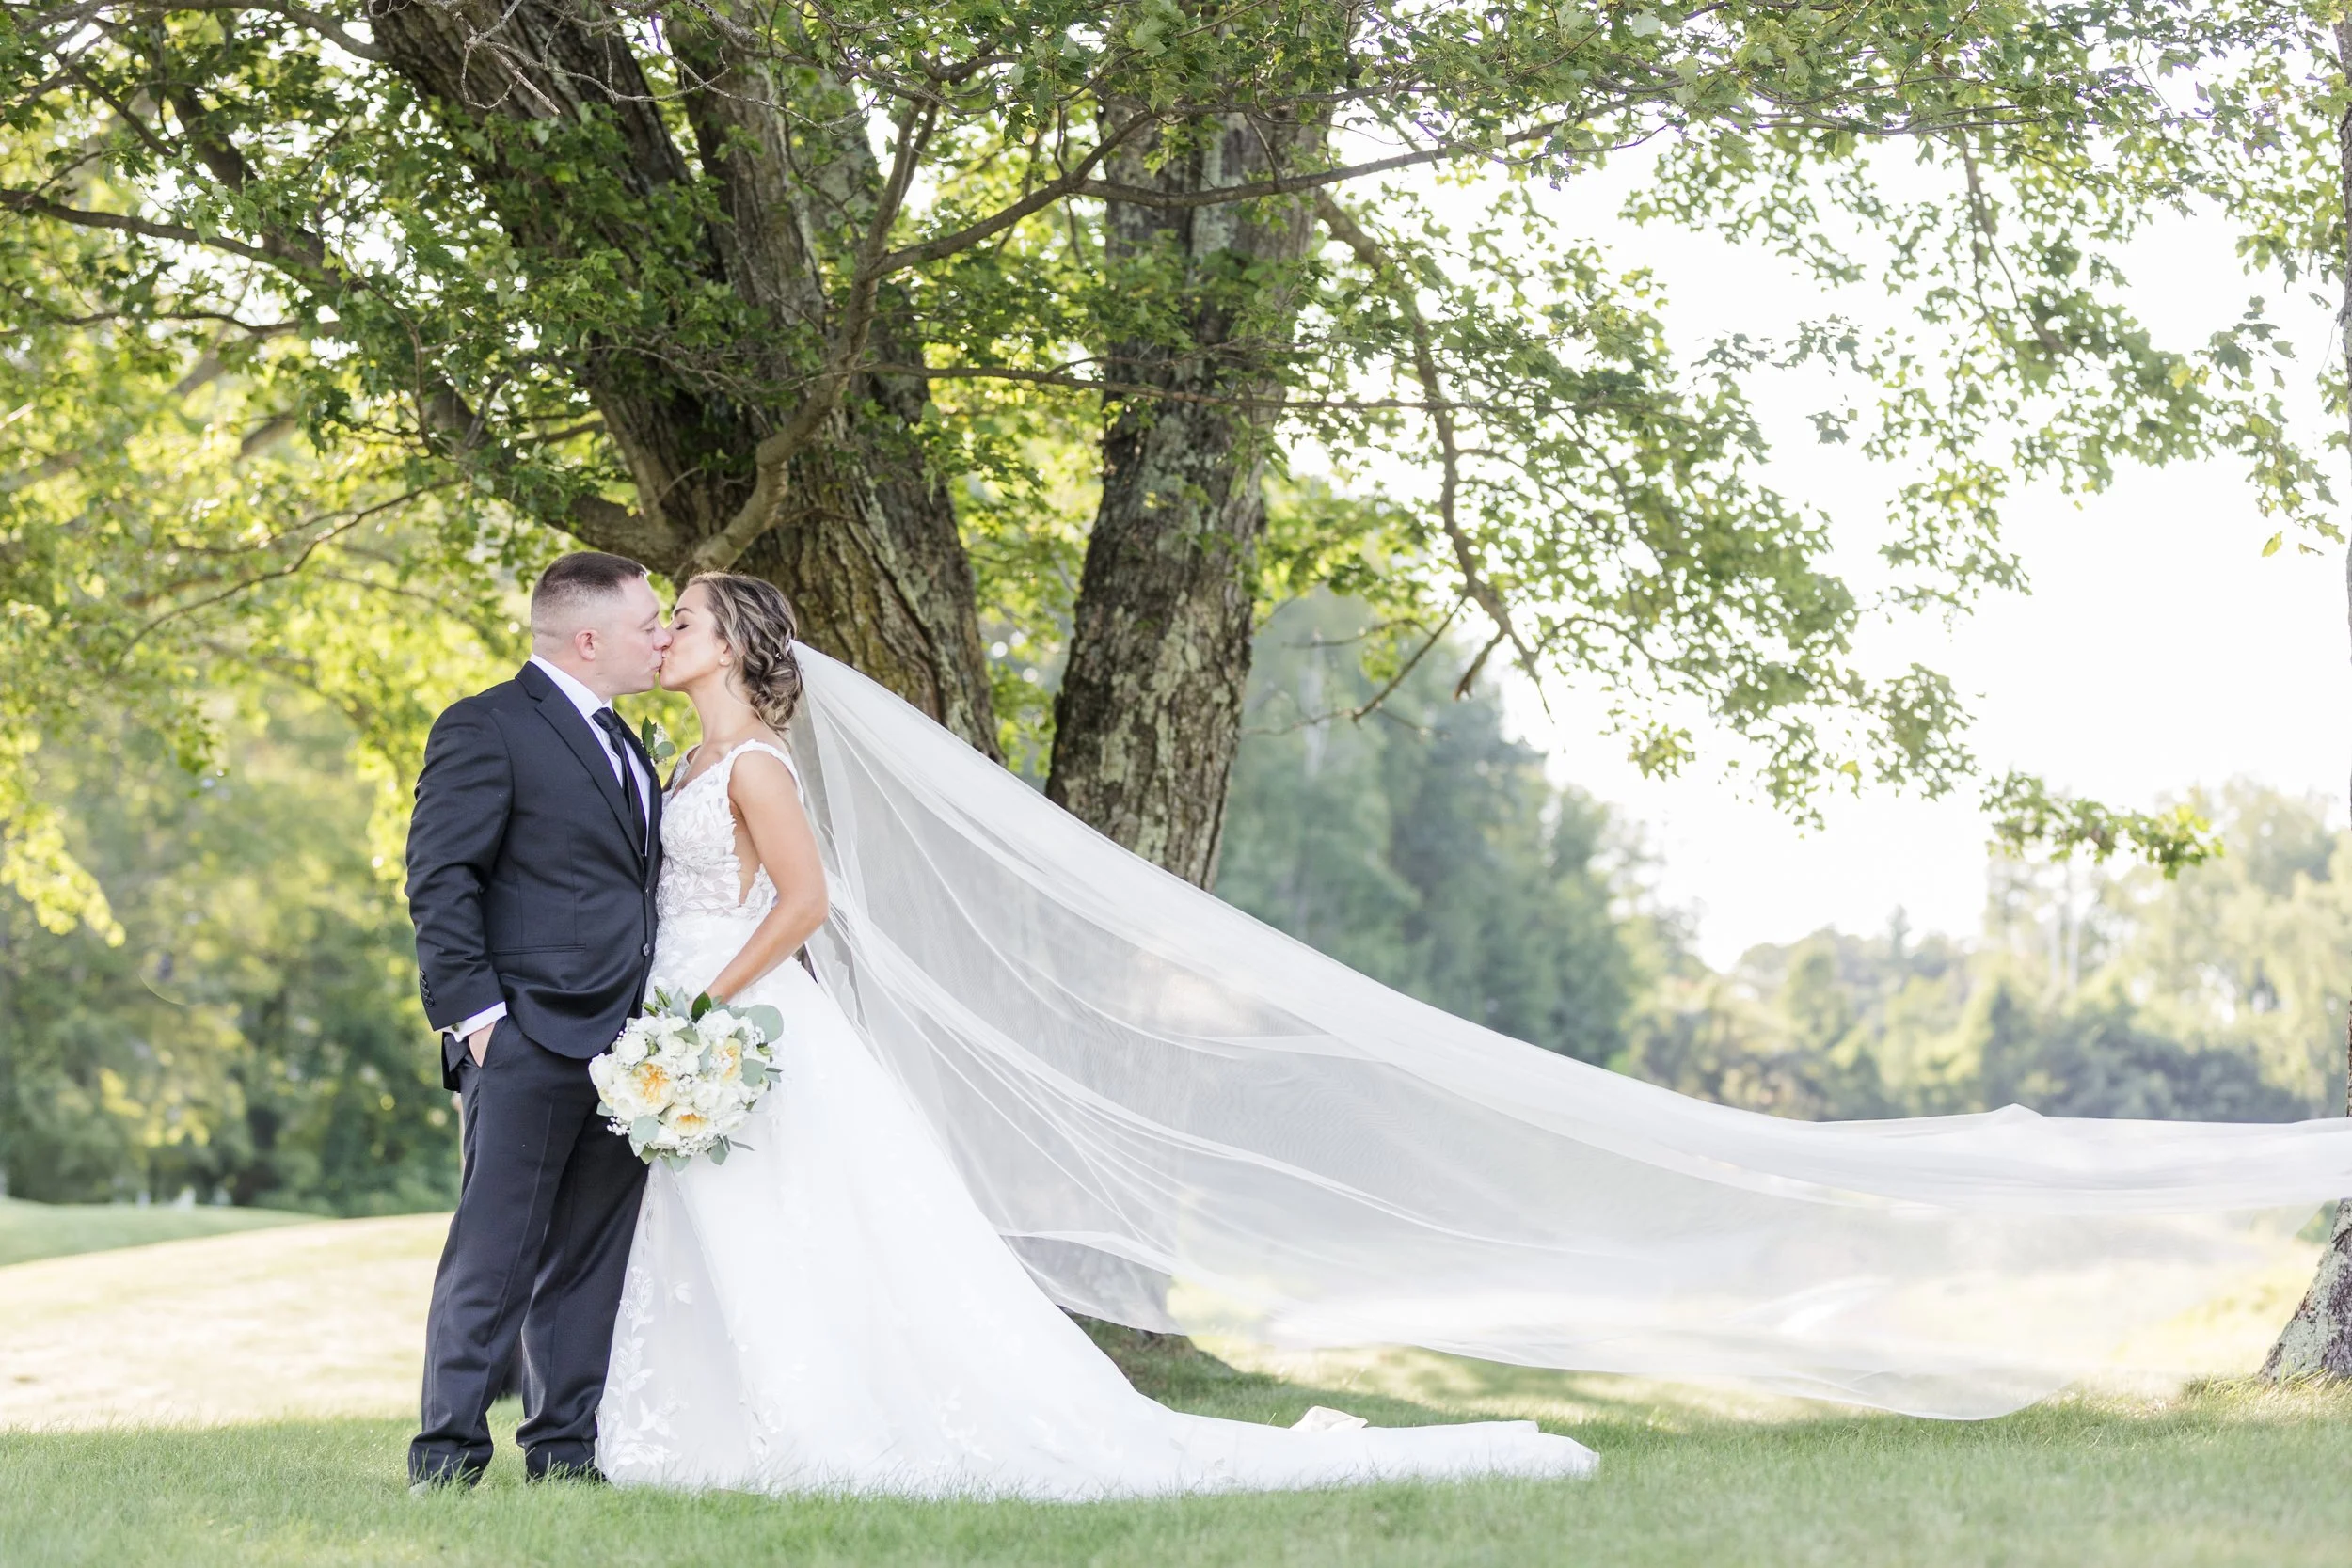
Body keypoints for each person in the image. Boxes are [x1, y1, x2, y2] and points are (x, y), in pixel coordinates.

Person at [595, 573, 1597, 1497]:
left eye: (684, 617)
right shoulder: (686, 761)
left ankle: (815, 1427)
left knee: (786, 1216)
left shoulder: (758, 765)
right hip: (695, 1021)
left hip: (734, 1019)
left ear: (730, 646)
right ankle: (706, 1428)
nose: (667, 631)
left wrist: (704, 1006)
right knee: (724, 1223)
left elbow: (804, 901)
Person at [405, 552, 671, 1489]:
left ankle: (564, 1450)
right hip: (524, 1037)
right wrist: (479, 1020)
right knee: (496, 1252)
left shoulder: (630, 743)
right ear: (589, 636)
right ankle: (446, 1454)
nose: (664, 636)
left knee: (590, 1257)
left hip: (630, 1044)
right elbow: (442, 878)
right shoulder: (487, 725)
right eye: (650, 621)